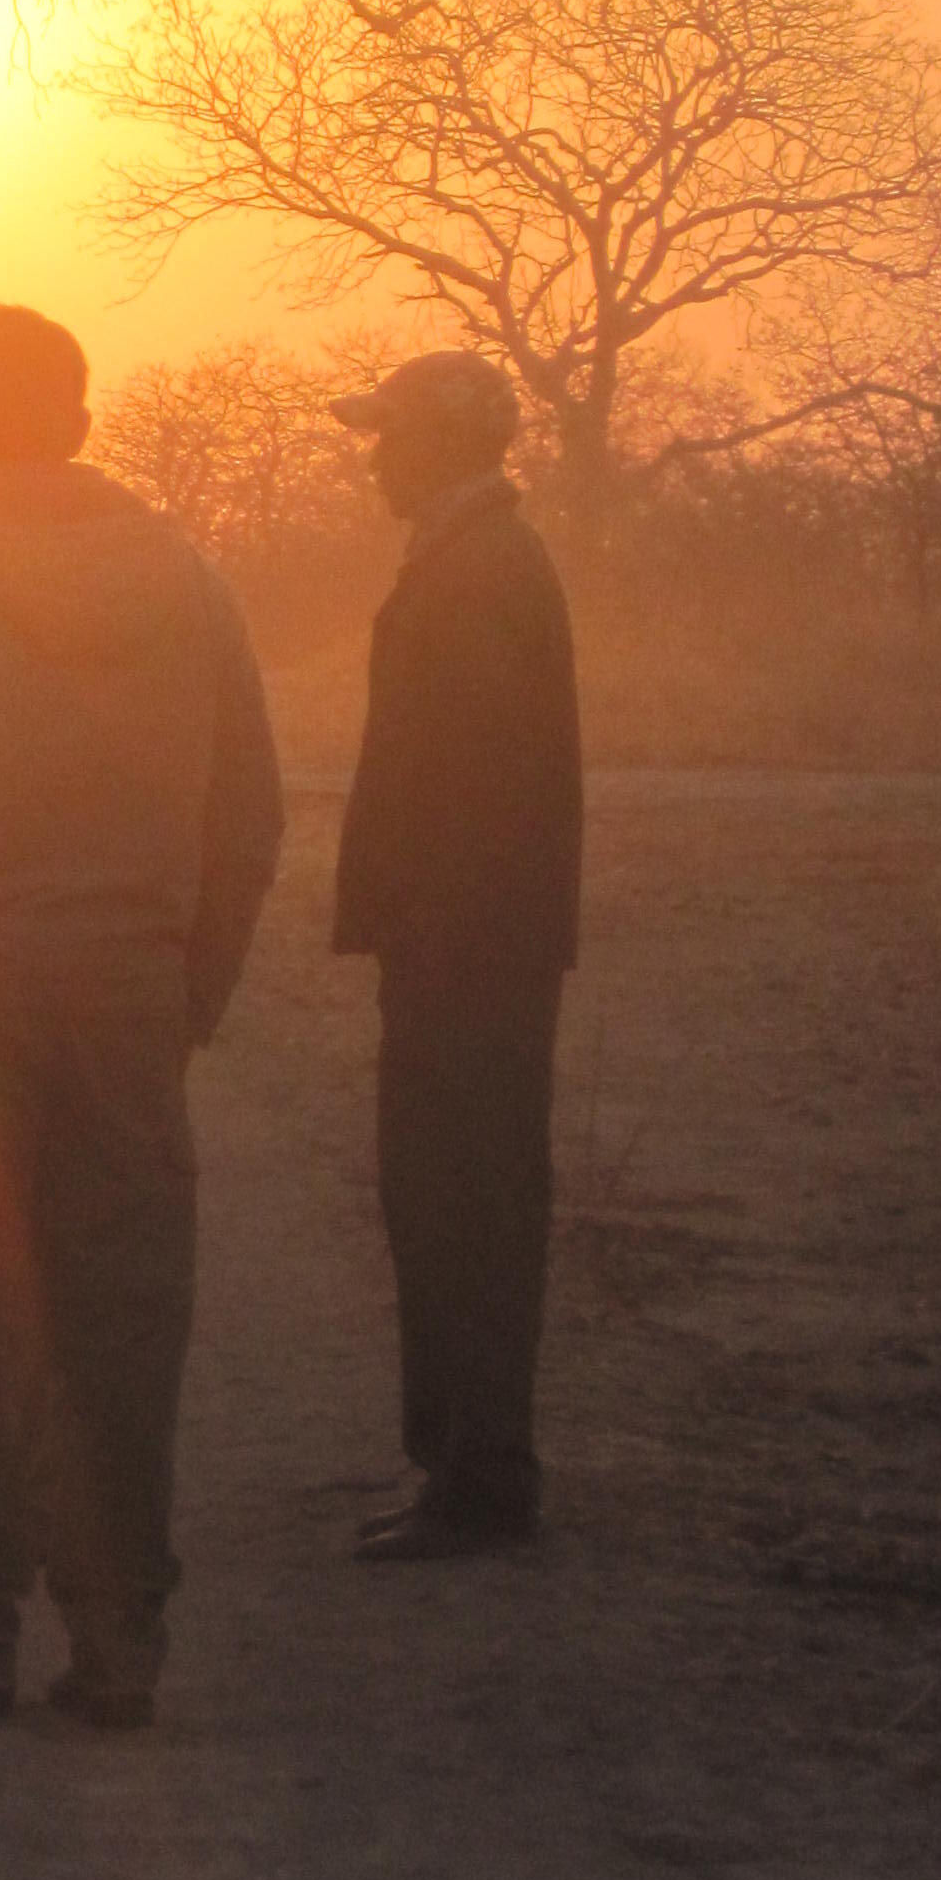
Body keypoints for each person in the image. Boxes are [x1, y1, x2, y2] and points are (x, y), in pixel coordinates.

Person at [0, 308, 285, 1722]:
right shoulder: (189, 580)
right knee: (122, 1312)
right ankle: (116, 1634)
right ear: (79, 427)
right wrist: (180, 986)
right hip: (127, 989)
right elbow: (246, 813)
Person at [329, 347, 583, 1558]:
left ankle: (479, 1478)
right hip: (469, 940)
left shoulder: (478, 567)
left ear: (441, 441)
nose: (374, 453)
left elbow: (481, 782)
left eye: (390, 433)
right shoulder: (475, 554)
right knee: (448, 1199)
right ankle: (465, 1465)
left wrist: (432, 925)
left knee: (464, 1201)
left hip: (469, 946)